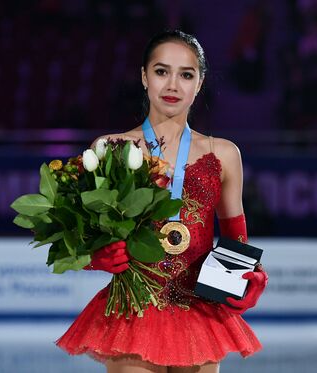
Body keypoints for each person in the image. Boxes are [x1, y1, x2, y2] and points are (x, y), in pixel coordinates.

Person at [56, 30, 268, 372]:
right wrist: (96, 256)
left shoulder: (224, 153)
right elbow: (79, 238)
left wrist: (244, 281)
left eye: (186, 75)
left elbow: (234, 238)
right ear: (144, 76)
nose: (173, 85)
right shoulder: (109, 149)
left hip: (199, 311)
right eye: (161, 71)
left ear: (199, 84)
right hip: (133, 309)